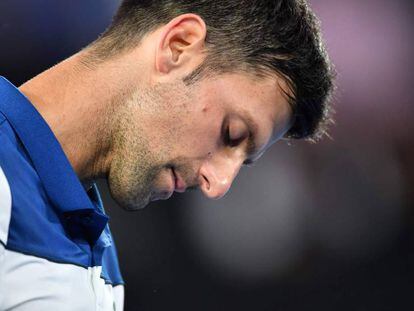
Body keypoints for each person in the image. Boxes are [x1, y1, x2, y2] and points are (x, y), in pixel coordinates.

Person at [0, 0, 334, 310]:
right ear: (179, 46)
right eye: (231, 133)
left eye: (243, 162)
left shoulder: (104, 264)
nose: (218, 185)